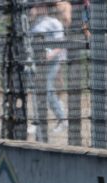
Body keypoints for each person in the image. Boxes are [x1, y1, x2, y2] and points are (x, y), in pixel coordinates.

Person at [29, 2, 68, 135]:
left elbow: (61, 44)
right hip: (36, 61)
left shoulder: (54, 23)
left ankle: (62, 119)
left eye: (40, 5)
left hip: (51, 62)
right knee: (37, 90)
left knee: (47, 88)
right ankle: (37, 120)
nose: (36, 7)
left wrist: (50, 55)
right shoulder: (33, 23)